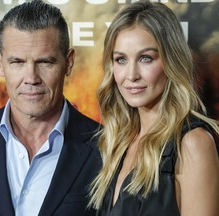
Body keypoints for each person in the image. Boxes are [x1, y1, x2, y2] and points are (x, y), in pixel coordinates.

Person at [0, 1, 101, 216]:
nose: (31, 78)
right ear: (0, 63)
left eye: (45, 62)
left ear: (68, 63)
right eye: (17, 62)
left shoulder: (104, 147)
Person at [89, 1, 219, 216]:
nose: (131, 75)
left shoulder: (193, 143)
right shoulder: (118, 142)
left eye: (145, 58)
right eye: (121, 60)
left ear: (171, 61)